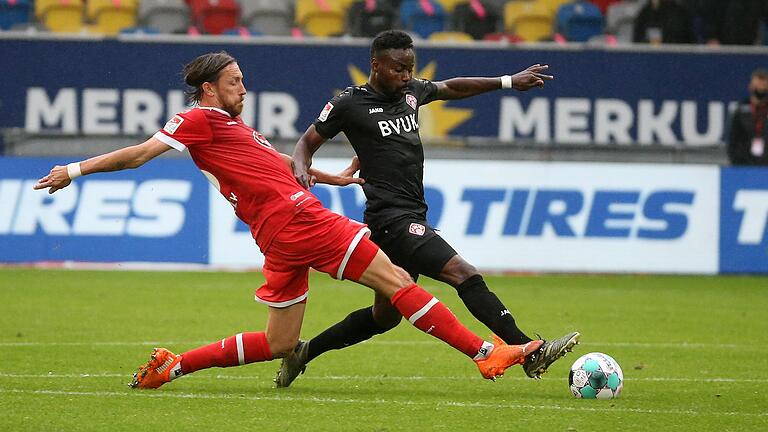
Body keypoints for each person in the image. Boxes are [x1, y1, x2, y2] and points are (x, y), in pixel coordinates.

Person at [33, 51, 543, 390]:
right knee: (397, 279)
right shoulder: (195, 120)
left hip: (276, 238)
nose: (243, 88)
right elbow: (140, 155)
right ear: (209, 88)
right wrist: (73, 170)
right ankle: (484, 352)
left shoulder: (233, 130)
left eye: (243, 81)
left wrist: (334, 179)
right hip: (299, 221)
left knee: (279, 343)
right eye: (235, 82)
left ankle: (176, 365)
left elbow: (280, 165)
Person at [279, 30, 580, 388]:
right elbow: (307, 142)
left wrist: (507, 82)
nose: (406, 76)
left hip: (410, 215)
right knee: (462, 273)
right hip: (391, 219)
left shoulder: (410, 92)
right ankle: (527, 349)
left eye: (410, 68)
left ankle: (303, 352)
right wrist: (300, 166)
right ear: (375, 65)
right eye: (398, 69)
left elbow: (453, 87)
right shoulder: (350, 103)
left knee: (384, 317)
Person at [727, 69, 768, 166]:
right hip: (744, 165)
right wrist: (739, 163)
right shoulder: (740, 110)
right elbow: (733, 141)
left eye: (764, 87)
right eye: (757, 87)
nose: (760, 90)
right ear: (750, 87)